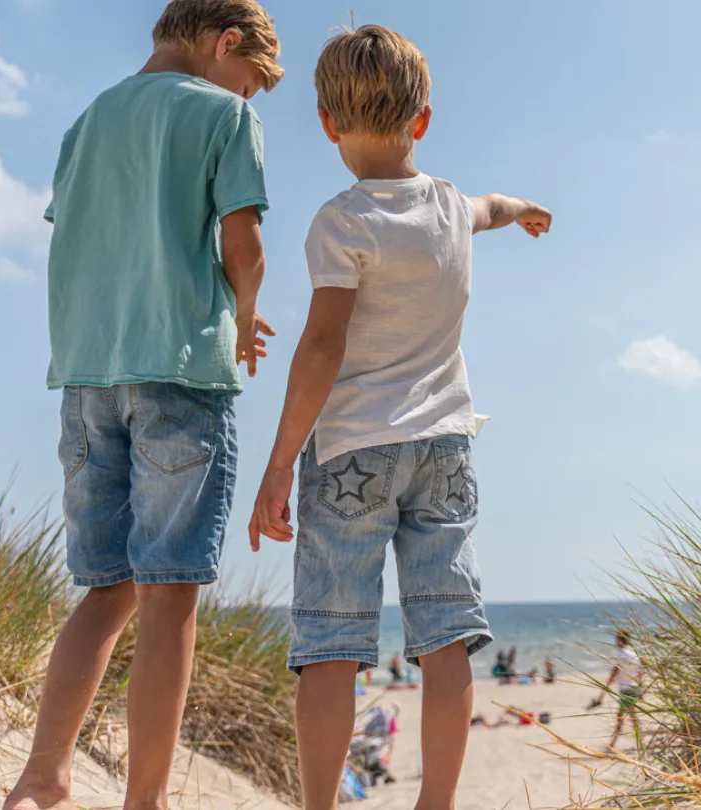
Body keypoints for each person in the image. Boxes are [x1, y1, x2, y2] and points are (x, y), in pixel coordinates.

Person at [246, 23, 552, 810]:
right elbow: (490, 206)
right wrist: (522, 209)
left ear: (327, 124)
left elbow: (322, 346)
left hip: (353, 449)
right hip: (444, 446)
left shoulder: (342, 221)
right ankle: (435, 803)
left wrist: (278, 463)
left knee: (331, 643)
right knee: (445, 635)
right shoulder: (449, 206)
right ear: (423, 119)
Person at [5, 3, 283, 810]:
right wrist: (245, 314)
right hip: (180, 372)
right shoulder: (226, 117)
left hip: (87, 377)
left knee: (107, 589)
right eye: (248, 82)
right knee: (169, 594)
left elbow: (88, 240)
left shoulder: (87, 121)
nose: (245, 98)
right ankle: (146, 801)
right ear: (225, 42)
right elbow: (244, 247)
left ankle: (42, 778)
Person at [603, 631, 643, 750]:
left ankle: (613, 743)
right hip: (634, 687)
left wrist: (607, 684)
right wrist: (641, 689)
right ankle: (638, 742)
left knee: (623, 717)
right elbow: (640, 670)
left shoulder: (621, 654)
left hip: (626, 689)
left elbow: (615, 670)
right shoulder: (634, 653)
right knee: (629, 716)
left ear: (620, 640)